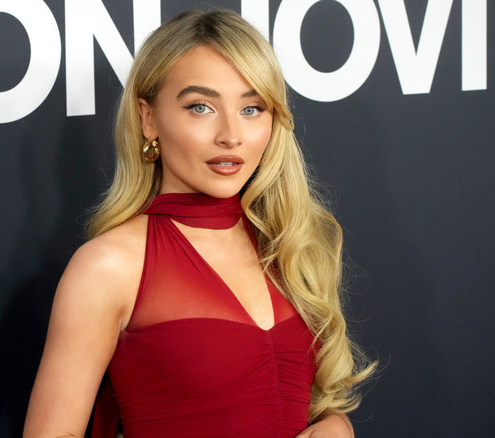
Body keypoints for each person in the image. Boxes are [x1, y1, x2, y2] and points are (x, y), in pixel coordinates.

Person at [23, 9, 374, 438]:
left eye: (252, 108)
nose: (231, 135)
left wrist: (336, 426)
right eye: (201, 107)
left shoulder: (287, 245)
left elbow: (299, 403)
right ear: (147, 117)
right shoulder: (108, 266)